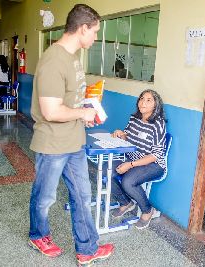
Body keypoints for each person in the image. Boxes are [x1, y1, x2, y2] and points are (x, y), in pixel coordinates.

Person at [28, 4, 114, 265]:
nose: (96, 37)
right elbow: (51, 111)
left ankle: (87, 248)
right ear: (83, 28)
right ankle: (38, 234)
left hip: (74, 141)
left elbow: (70, 97)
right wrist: (81, 114)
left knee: (82, 196)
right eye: (95, 31)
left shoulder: (74, 58)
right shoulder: (54, 60)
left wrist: (87, 106)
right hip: (53, 142)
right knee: (45, 197)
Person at [110, 89, 167, 229]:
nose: (143, 102)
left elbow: (156, 155)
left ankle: (148, 210)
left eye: (148, 100)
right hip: (132, 158)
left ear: (156, 105)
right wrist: (121, 134)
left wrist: (130, 164)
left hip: (153, 164)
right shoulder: (134, 118)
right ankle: (125, 203)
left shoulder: (158, 124)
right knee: (107, 171)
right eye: (142, 98)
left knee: (128, 182)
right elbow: (128, 137)